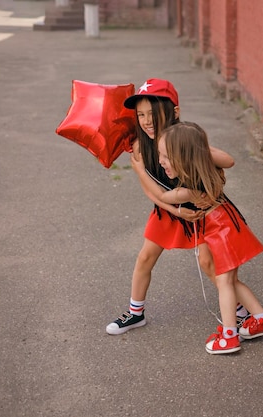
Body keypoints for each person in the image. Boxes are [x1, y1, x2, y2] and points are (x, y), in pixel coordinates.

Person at [106, 79, 250, 335]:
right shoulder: (138, 148)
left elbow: (228, 160)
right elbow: (151, 190)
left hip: (203, 210)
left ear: (174, 112)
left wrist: (198, 153)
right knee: (145, 257)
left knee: (208, 262)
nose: (146, 121)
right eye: (140, 115)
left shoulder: (185, 138)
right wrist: (176, 211)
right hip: (168, 208)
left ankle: (241, 314)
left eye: (153, 113)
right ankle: (135, 313)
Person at [136, 121, 263, 354]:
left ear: (184, 158)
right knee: (230, 281)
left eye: (165, 157)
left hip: (221, 231)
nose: (160, 161)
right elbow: (220, 160)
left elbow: (161, 195)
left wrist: (141, 169)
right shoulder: (207, 171)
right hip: (225, 226)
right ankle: (262, 318)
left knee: (224, 283)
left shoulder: (187, 190)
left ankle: (229, 335)